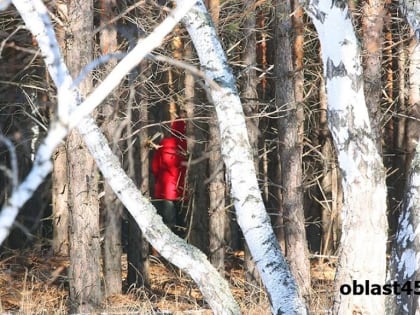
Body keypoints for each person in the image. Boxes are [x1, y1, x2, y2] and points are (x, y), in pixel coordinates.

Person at [151, 118, 187, 237]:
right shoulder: (187, 145)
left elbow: (155, 166)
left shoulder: (164, 143)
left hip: (165, 191)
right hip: (183, 191)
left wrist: (159, 180)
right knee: (183, 223)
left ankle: (168, 250)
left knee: (168, 223)